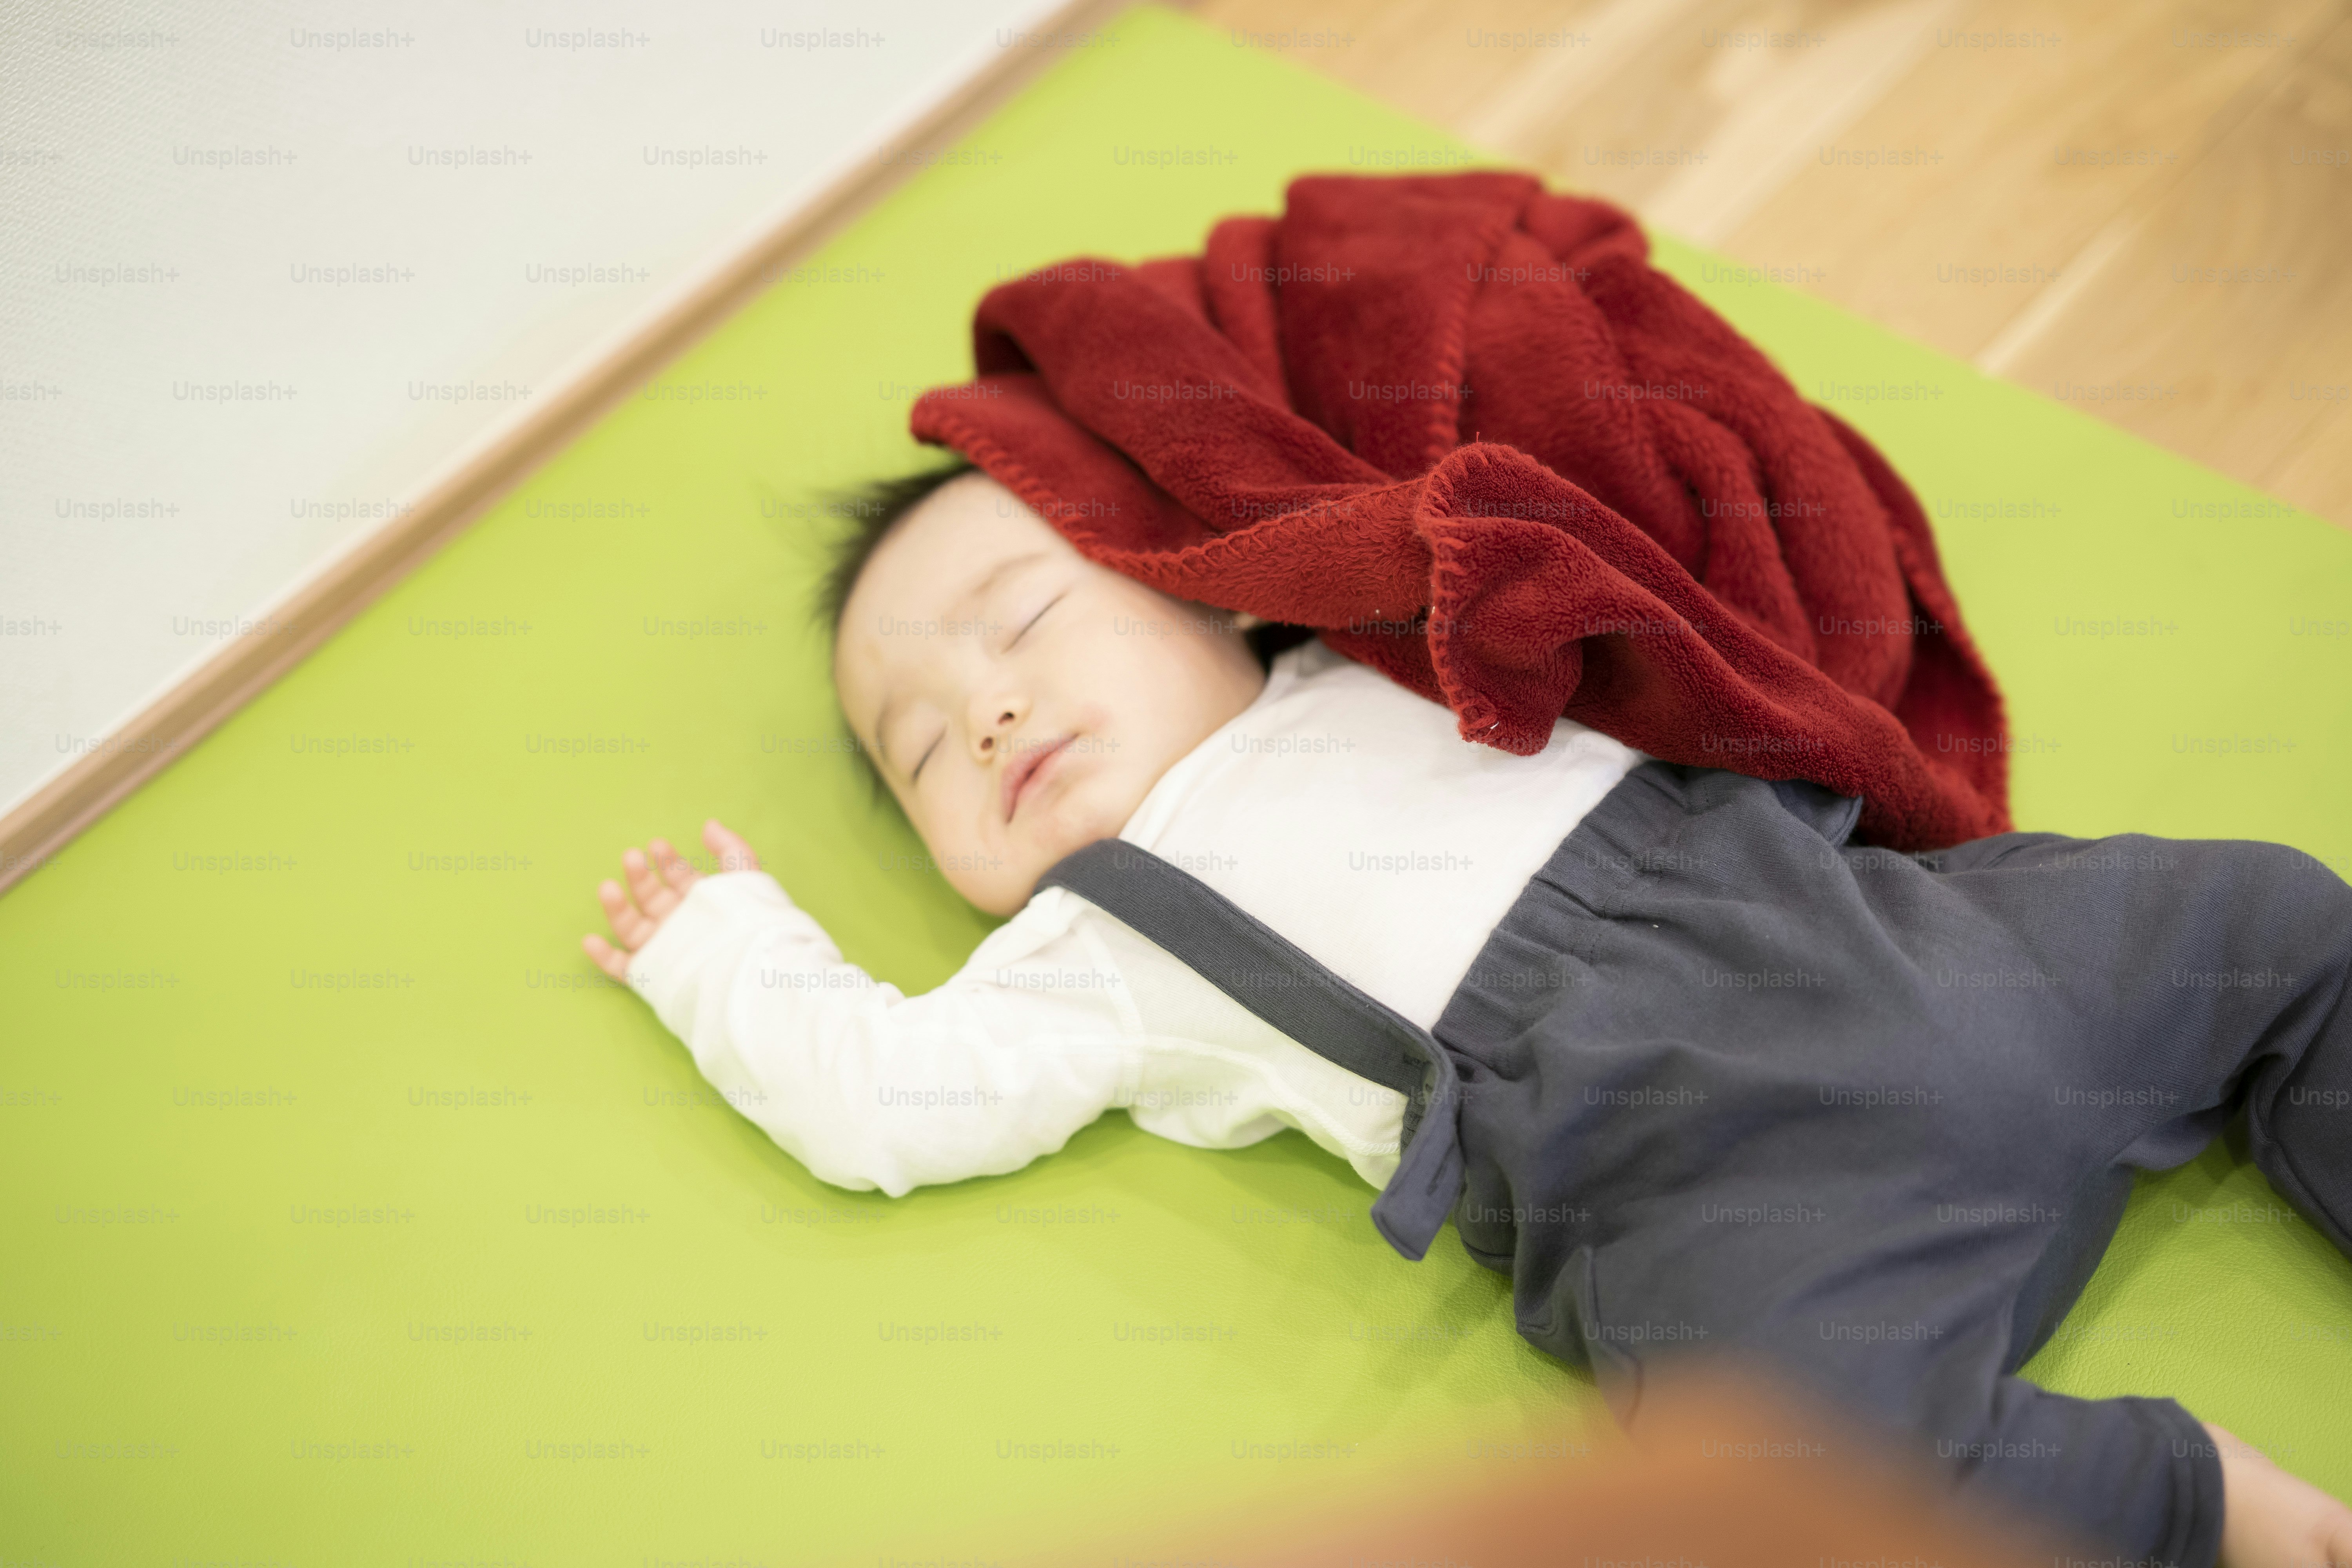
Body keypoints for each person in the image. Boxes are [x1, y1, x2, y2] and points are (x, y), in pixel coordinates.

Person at [584, 463, 2352, 1568]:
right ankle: (2183, 1498)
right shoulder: (1097, 943)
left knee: (2272, 921)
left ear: (1202, 584)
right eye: (917, 749)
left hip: (1893, 933)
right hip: (1717, 1179)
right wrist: (722, 956)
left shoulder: (1371, 627)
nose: (980, 714)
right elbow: (889, 1095)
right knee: (1771, 1495)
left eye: (1024, 622)